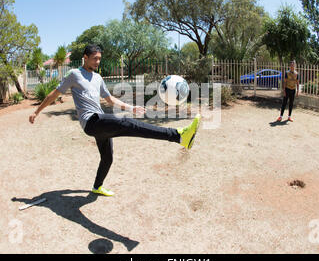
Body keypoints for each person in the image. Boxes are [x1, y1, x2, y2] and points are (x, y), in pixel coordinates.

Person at [29, 44, 201, 197]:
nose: (97, 62)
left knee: (107, 158)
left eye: (99, 59)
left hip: (99, 122)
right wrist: (37, 111)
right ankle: (178, 135)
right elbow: (55, 93)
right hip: (91, 121)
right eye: (95, 58)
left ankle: (97, 187)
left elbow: (110, 99)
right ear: (85, 57)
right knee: (128, 124)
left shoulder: (98, 78)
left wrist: (130, 108)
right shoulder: (74, 74)